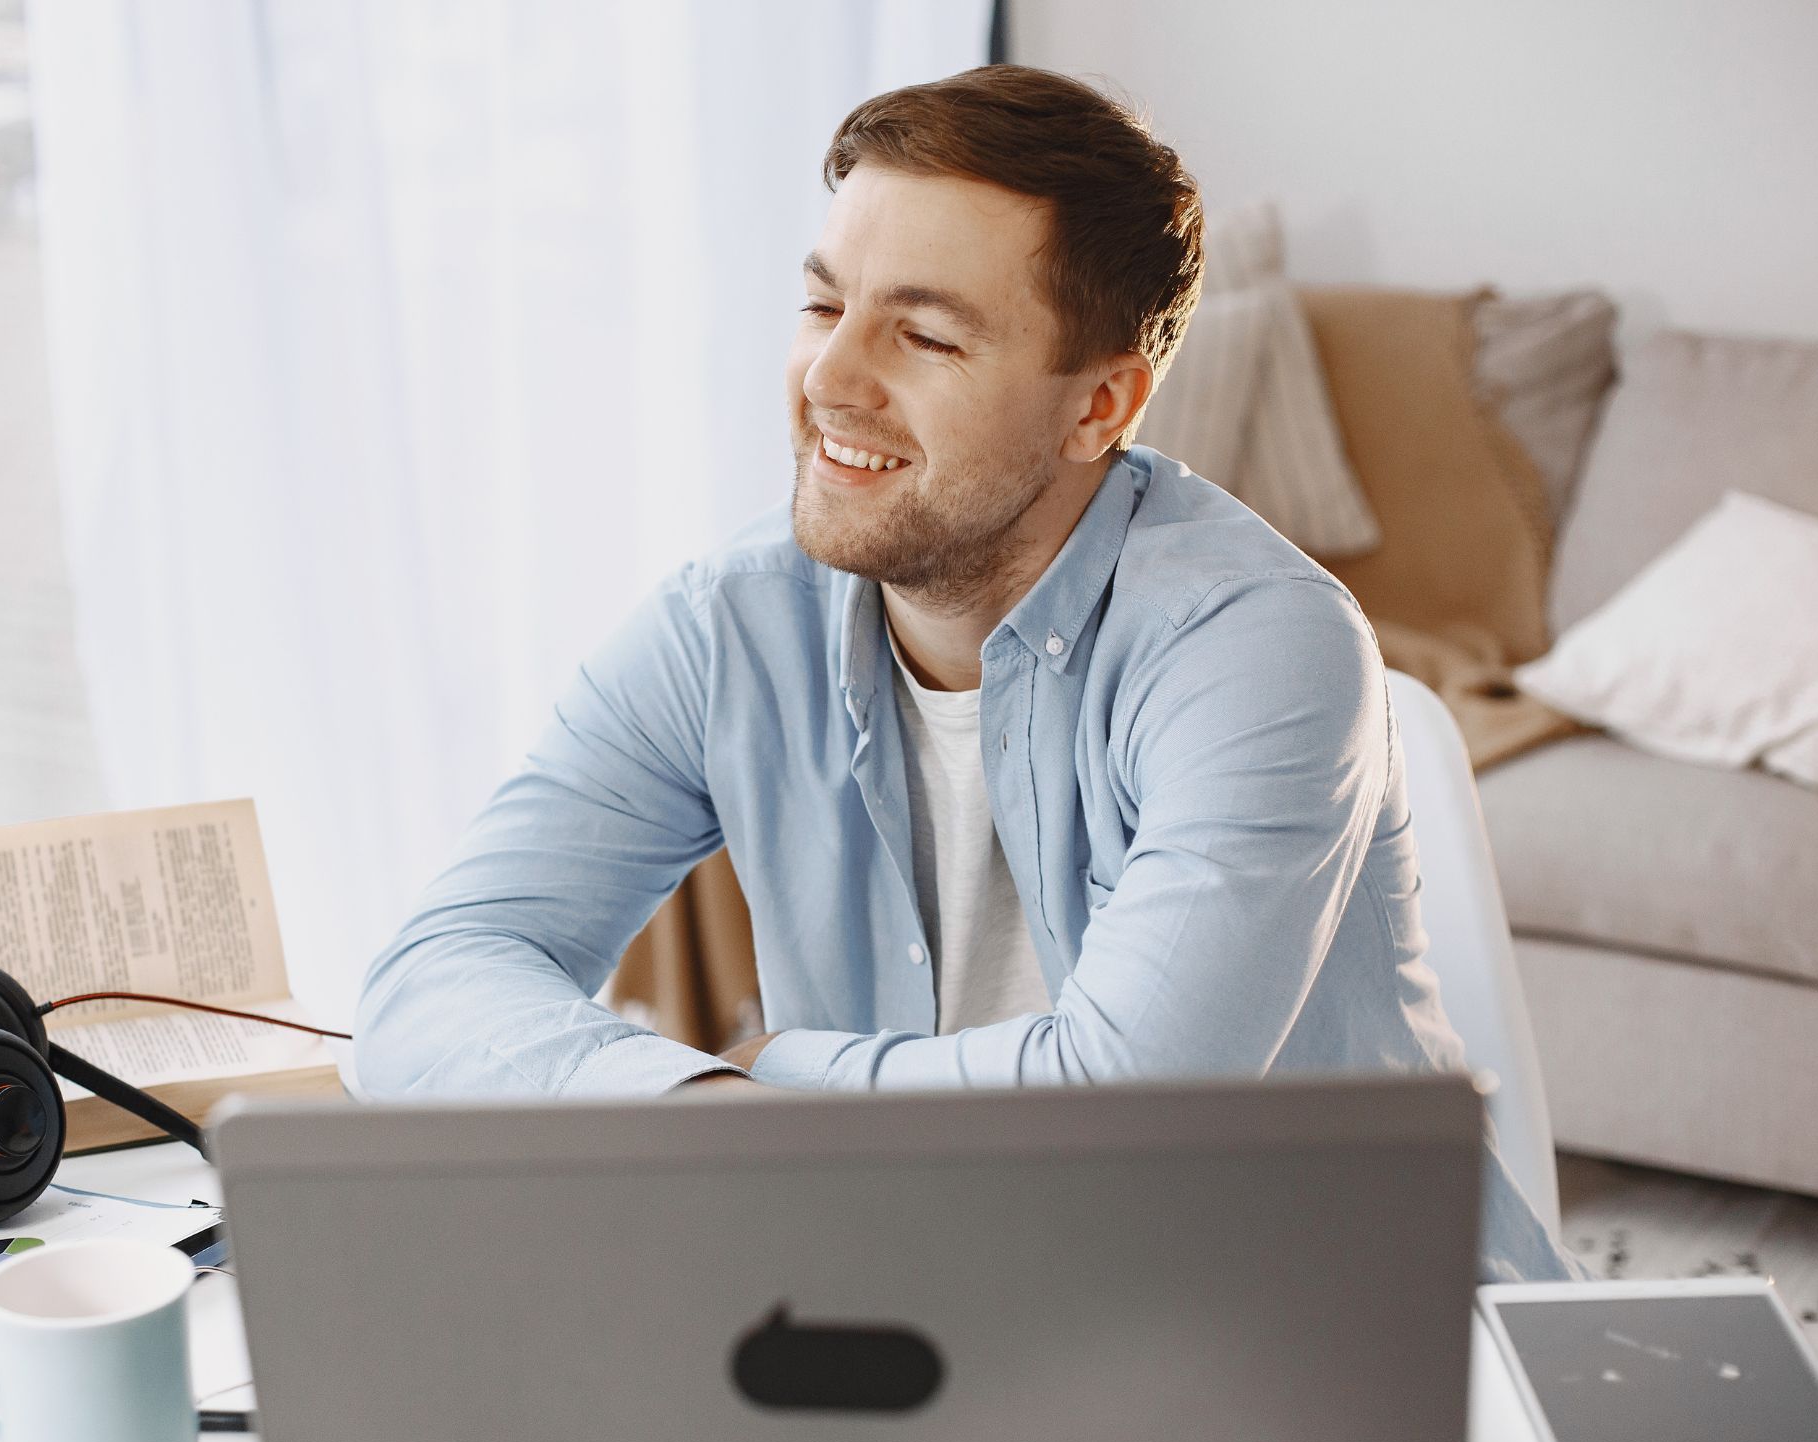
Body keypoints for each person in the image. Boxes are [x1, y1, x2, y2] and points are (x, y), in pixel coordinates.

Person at [356, 64, 1573, 1282]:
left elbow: (1119, 1105)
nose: (831, 380)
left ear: (1099, 405)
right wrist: (707, 1110)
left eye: (926, 335)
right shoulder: (725, 628)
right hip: (944, 1285)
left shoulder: (1258, 645)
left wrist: (771, 1067)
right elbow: (432, 981)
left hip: (1314, 1311)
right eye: (824, 308)